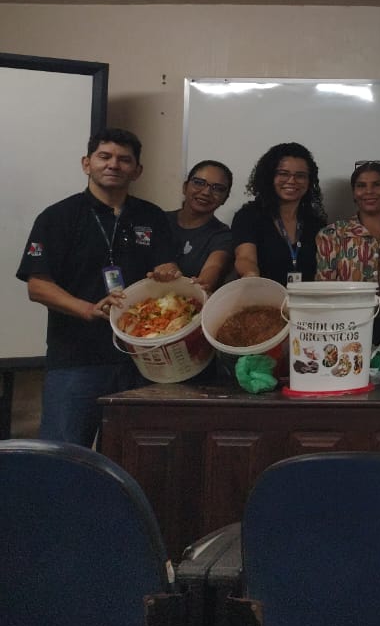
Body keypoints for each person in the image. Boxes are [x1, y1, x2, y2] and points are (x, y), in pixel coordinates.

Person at [17, 128, 181, 446]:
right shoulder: (58, 217)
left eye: (124, 159)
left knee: (134, 455)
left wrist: (168, 270)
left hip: (142, 361)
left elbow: (169, 268)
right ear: (86, 163)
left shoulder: (152, 216)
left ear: (137, 170)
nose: (113, 165)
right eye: (104, 156)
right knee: (64, 455)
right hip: (77, 359)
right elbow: (37, 285)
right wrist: (89, 309)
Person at [315, 162, 380, 357]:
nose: (369, 191)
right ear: (354, 193)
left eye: (377, 184)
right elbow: (324, 289)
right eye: (361, 186)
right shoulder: (332, 234)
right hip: (345, 329)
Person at [232, 142, 327, 285]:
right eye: (283, 174)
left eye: (300, 176)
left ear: (309, 181)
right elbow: (245, 258)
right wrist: (250, 274)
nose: (292, 181)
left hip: (308, 303)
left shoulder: (316, 223)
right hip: (264, 300)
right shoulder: (249, 216)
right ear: (269, 177)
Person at [167, 160, 235, 291]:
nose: (206, 192)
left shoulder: (223, 235)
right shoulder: (158, 220)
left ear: (225, 198)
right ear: (185, 187)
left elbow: (213, 267)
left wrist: (202, 284)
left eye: (218, 188)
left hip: (191, 303)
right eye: (199, 183)